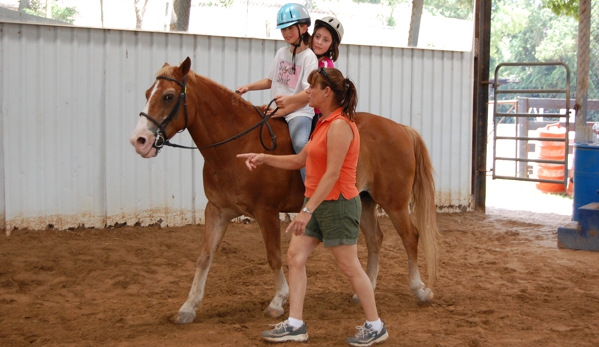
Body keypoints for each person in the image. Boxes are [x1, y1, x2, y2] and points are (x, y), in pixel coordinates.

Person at [237, 67, 389, 346]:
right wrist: (263, 158)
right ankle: (295, 324)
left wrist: (306, 212)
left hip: (339, 203)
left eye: (311, 88)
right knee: (295, 257)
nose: (307, 93)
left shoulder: (342, 126)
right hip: (317, 202)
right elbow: (298, 161)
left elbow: (332, 174)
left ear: (326, 92)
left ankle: (375, 325)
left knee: (349, 267)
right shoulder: (323, 124)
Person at [236, 3, 318, 182]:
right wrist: (248, 87)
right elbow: (270, 81)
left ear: (304, 27)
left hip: (299, 112)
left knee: (300, 145)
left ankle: (311, 190)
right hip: (278, 109)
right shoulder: (282, 52)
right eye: (283, 29)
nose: (286, 33)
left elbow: (308, 93)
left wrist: (287, 105)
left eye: (290, 28)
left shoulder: (309, 57)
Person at [310, 16, 344, 132]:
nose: (319, 42)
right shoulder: (308, 59)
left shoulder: (325, 65)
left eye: (325, 40)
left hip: (316, 114)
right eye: (317, 37)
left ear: (331, 46)